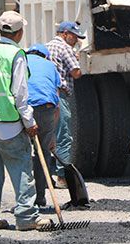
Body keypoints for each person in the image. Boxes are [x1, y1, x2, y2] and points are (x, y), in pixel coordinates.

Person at [0, 11, 51, 231]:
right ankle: (26, 216)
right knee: (22, 169)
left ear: (0, 29)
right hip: (9, 123)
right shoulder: (16, 54)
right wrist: (30, 122)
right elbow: (20, 94)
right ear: (19, 33)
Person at [46, 21, 84, 189]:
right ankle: (63, 177)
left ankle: (44, 176)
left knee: (46, 136)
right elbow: (76, 73)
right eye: (74, 36)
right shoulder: (65, 48)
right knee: (63, 136)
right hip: (60, 95)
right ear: (64, 34)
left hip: (44, 96)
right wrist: (81, 61)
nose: (76, 40)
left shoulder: (46, 47)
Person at [26, 44, 61, 207]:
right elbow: (57, 98)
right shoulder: (50, 66)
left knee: (23, 153)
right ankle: (40, 197)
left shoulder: (21, 61)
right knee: (43, 153)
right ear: (44, 56)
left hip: (25, 109)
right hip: (47, 108)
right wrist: (52, 134)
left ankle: (26, 201)